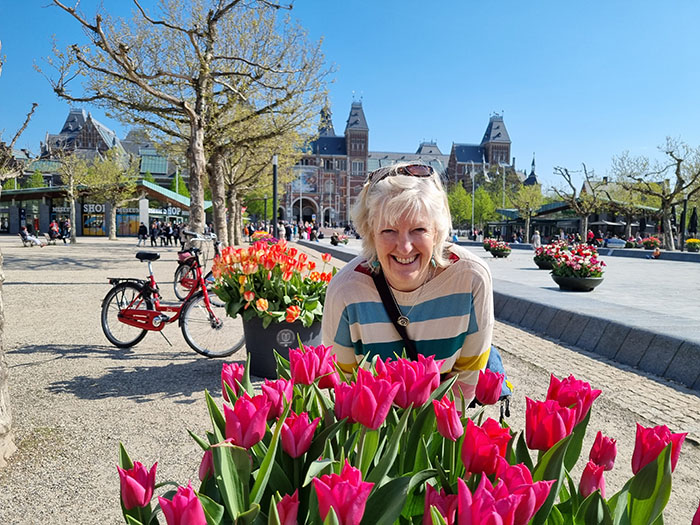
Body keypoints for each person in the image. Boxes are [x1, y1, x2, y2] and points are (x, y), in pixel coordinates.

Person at [322, 162, 494, 402]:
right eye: (388, 231)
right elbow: (343, 385)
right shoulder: (346, 290)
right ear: (371, 232)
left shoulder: (470, 278)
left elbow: (467, 378)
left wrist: (433, 433)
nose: (404, 247)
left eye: (419, 229)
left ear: (437, 232)